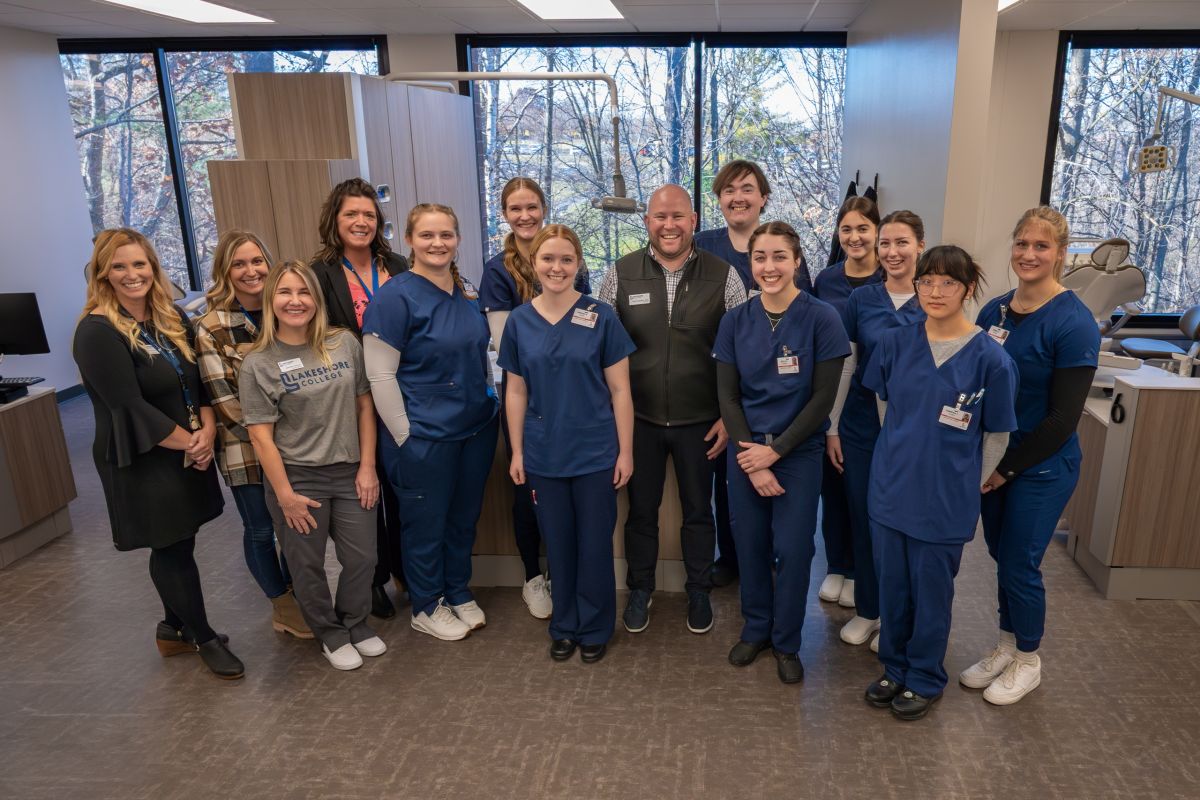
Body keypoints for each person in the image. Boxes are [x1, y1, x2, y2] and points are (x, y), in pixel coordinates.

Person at [73, 228, 243, 679]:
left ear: (153, 267)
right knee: (170, 545)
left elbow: (198, 381)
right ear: (103, 273)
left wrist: (206, 429)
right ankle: (202, 636)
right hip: (142, 455)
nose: (132, 274)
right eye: (120, 266)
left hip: (187, 446)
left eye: (139, 264)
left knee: (181, 538)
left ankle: (172, 628)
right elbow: (128, 406)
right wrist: (192, 442)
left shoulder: (168, 318)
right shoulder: (96, 331)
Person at [861, 245, 1018, 720]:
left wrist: (965, 486)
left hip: (945, 498)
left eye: (948, 282)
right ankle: (895, 668)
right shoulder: (894, 343)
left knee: (931, 592)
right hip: (891, 488)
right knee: (893, 587)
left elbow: (997, 435)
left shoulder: (991, 360)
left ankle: (925, 676)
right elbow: (886, 409)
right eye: (926, 280)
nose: (935, 291)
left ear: (969, 289)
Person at [597, 184, 747, 635]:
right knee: (641, 511)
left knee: (699, 510)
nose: (669, 225)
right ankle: (640, 589)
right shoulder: (619, 274)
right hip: (637, 420)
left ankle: (698, 591)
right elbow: (601, 349)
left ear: (694, 221)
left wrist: (727, 415)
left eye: (678, 216)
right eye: (660, 217)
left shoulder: (725, 276)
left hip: (701, 422)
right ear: (646, 221)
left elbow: (738, 353)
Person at [965, 206, 1100, 706]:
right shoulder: (993, 311)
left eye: (1042, 246)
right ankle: (1005, 646)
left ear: (1061, 254)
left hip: (1041, 466)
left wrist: (1004, 469)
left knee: (1021, 563)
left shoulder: (1073, 323)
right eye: (1022, 244)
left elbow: (1062, 420)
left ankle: (1029, 660)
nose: (1029, 254)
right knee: (1002, 559)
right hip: (995, 463)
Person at [714, 222, 849, 684]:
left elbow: (821, 401)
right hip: (746, 450)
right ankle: (756, 629)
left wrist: (776, 454)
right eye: (759, 257)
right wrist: (752, 458)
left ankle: (787, 640)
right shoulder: (735, 321)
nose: (768, 267)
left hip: (798, 451)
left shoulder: (822, 318)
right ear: (750, 264)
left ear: (796, 262)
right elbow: (728, 398)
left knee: (792, 548)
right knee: (749, 546)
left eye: (778, 257)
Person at [500, 224, 635, 663]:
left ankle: (595, 626)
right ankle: (565, 625)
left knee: (595, 543)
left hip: (596, 451)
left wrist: (626, 451)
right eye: (548, 259)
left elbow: (620, 391)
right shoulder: (520, 321)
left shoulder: (600, 315)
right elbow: (516, 391)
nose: (557, 268)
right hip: (543, 452)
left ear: (579, 264)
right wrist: (518, 451)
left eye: (566, 259)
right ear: (534, 264)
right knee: (557, 543)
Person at [364, 203, 499, 642]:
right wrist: (405, 434)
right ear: (409, 240)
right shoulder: (394, 297)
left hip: (475, 427)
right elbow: (380, 375)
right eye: (427, 235)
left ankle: (457, 590)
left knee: (463, 518)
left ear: (458, 239)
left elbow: (480, 354)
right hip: (424, 435)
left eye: (446, 234)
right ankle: (427, 604)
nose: (437, 243)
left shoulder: (466, 291)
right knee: (426, 523)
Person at [241, 261, 384, 671]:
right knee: (307, 565)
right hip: (298, 478)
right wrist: (285, 495)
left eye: (303, 292)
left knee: (362, 558)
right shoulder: (259, 363)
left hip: (351, 470)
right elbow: (260, 436)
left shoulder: (343, 344)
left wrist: (368, 466)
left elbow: (364, 405)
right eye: (285, 292)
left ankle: (355, 622)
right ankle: (330, 632)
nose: (295, 301)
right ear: (271, 301)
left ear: (316, 300)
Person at [695, 160, 811, 587]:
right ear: (718, 198)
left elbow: (804, 327)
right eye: (728, 190)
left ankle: (773, 559)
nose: (737, 197)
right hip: (715, 384)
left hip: (771, 396)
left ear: (763, 197)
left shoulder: (784, 250)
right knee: (726, 484)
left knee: (771, 481)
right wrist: (725, 410)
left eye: (747, 188)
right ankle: (733, 558)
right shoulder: (701, 247)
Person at [480, 177, 591, 620]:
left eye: (532, 206)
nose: (524, 215)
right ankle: (533, 576)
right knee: (527, 488)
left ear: (544, 208)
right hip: (525, 394)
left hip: (572, 395)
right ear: (505, 214)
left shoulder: (566, 254)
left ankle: (570, 576)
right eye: (514, 208)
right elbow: (510, 348)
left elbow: (585, 320)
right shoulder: (497, 271)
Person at [195, 230, 311, 641]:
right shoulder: (212, 327)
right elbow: (225, 401)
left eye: (257, 261)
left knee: (295, 525)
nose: (251, 271)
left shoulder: (287, 310)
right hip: (245, 448)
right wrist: (276, 438)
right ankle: (281, 603)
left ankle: (301, 592)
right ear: (225, 270)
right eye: (239, 264)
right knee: (261, 527)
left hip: (299, 446)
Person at [827, 210, 927, 651]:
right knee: (865, 519)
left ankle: (897, 614)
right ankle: (868, 609)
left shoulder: (935, 297)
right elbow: (846, 364)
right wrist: (831, 427)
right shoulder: (862, 299)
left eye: (902, 243)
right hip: (861, 425)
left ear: (920, 246)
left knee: (903, 524)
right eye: (885, 243)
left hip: (916, 429)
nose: (892, 252)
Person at [311, 177, 409, 621]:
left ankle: (407, 570)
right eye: (351, 213)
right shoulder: (318, 274)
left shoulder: (400, 266)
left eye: (368, 214)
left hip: (403, 389)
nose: (361, 221)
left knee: (400, 490)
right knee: (364, 495)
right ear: (335, 219)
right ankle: (372, 578)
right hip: (350, 398)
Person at [811, 196, 884, 609]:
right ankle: (836, 566)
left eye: (863, 229)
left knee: (861, 491)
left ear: (876, 232)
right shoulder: (826, 280)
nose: (855, 237)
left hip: (869, 401)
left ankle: (858, 570)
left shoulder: (888, 282)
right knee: (831, 488)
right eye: (847, 229)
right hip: (826, 395)